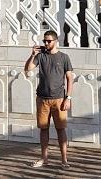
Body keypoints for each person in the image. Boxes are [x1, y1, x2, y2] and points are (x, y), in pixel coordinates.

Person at [23, 30, 74, 168]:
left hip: (59, 99)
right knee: (43, 129)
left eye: (49, 41)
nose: (46, 43)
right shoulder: (41, 56)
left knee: (61, 129)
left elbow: (70, 78)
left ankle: (64, 160)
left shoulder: (64, 57)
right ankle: (44, 158)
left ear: (56, 41)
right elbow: (28, 69)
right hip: (42, 99)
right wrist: (32, 55)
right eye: (44, 41)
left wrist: (68, 98)